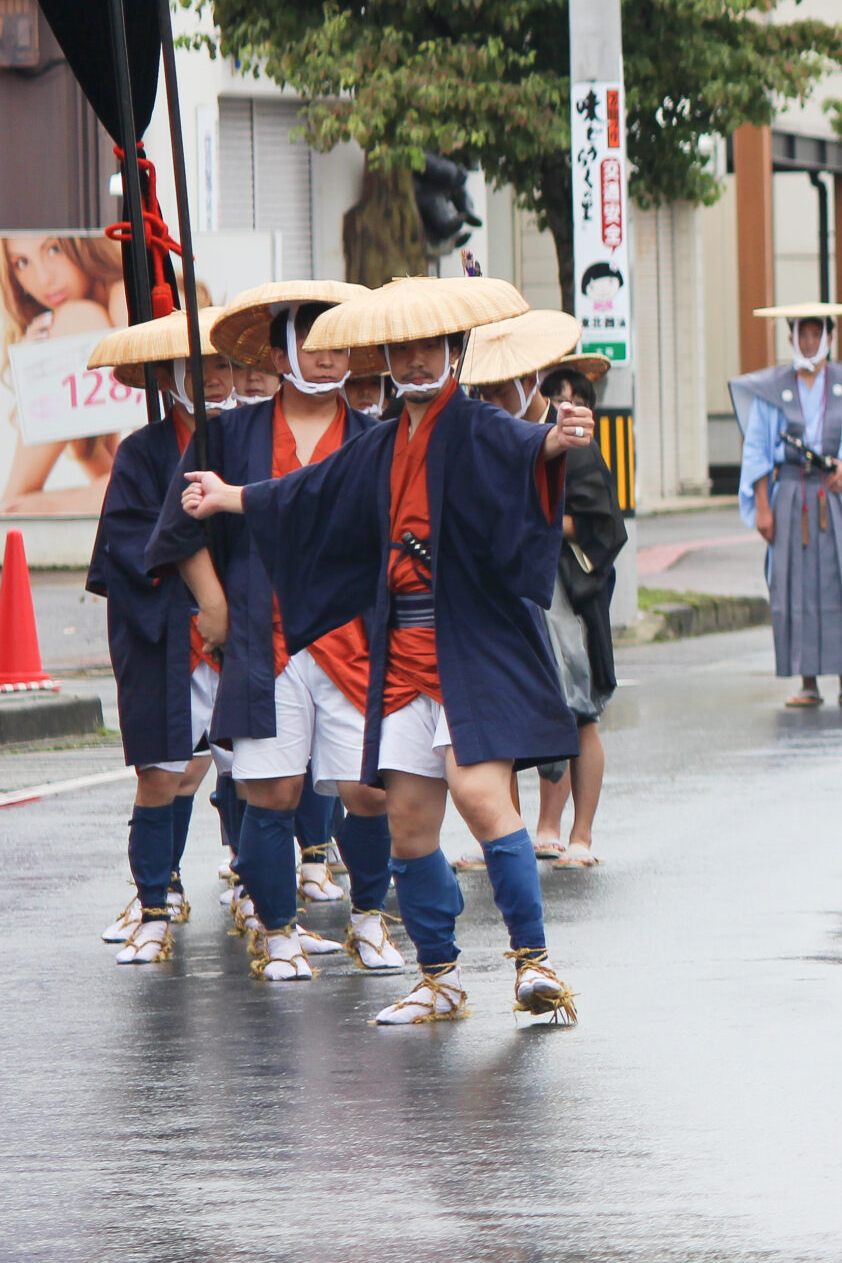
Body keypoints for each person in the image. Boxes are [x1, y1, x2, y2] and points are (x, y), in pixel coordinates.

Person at [180, 275, 594, 1027]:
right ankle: (439, 976)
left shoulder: (476, 424)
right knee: (407, 819)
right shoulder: (378, 442)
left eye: (425, 346)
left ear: (453, 350)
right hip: (400, 646)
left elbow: (524, 445)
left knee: (477, 792)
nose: (412, 360)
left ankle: (534, 962)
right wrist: (230, 496)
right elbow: (309, 489)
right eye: (400, 349)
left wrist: (556, 439)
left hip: (472, 643)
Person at [151, 283, 396, 981]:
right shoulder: (231, 432)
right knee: (272, 791)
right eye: (313, 345)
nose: (328, 358)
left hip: (352, 636)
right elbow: (182, 519)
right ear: (282, 350)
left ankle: (370, 915)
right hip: (267, 636)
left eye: (339, 345)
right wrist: (213, 600)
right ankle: (277, 928)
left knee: (368, 791)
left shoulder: (374, 437)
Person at [88, 308, 228, 963]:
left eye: (228, 363)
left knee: (234, 769)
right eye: (204, 365)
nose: (218, 376)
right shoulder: (141, 452)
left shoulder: (245, 439)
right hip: (164, 626)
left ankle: (264, 899)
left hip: (235, 626)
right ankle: (151, 904)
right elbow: (126, 540)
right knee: (159, 770)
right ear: (173, 376)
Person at [462, 312, 625, 863]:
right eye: (483, 387)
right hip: (497, 583)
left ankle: (574, 832)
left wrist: (532, 522)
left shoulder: (568, 429)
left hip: (560, 585)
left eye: (501, 386)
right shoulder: (480, 431)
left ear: (529, 379)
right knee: (497, 712)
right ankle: (501, 836)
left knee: (576, 708)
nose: (492, 395)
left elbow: (602, 520)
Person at [731, 303, 842, 708]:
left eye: (816, 334)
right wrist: (762, 506)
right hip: (791, 493)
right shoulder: (773, 388)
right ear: (791, 338)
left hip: (836, 490)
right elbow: (758, 450)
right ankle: (807, 680)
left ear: (830, 338)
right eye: (801, 334)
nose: (809, 341)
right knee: (793, 585)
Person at [3, 233, 130, 513]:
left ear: (85, 244)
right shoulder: (88, 317)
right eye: (22, 263)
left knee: (78, 319)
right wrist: (37, 377)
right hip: (165, 491)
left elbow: (166, 466)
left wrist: (56, 505)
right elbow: (112, 471)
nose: (43, 279)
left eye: (53, 249)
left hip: (197, 482)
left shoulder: (123, 297)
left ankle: (6, 512)